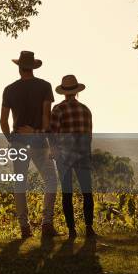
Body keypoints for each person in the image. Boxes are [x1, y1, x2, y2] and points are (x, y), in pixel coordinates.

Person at [0, 50, 58, 239]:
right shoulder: (45, 87)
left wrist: (11, 139)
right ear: (33, 67)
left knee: (20, 183)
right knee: (50, 180)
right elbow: (46, 118)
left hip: (18, 141)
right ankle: (47, 223)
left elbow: (3, 120)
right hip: (39, 141)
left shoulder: (9, 89)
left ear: (19, 67)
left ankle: (24, 228)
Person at [50, 75, 96, 239]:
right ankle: (89, 228)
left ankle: (72, 230)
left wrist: (54, 151)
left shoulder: (58, 109)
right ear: (77, 92)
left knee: (67, 193)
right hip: (83, 155)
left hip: (65, 157)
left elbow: (52, 134)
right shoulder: (86, 110)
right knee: (87, 192)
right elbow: (89, 136)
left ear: (64, 92)